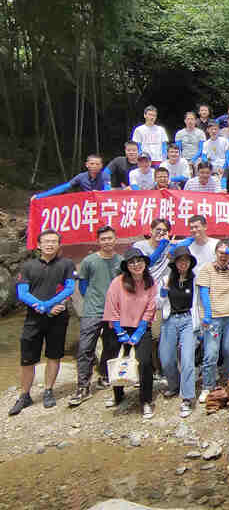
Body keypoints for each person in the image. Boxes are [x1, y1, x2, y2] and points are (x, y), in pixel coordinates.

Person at [9, 230, 76, 416]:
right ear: (38, 245)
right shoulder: (28, 266)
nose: (50, 244)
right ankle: (24, 395)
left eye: (54, 241)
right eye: (46, 241)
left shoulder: (66, 264)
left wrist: (48, 305)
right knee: (27, 358)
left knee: (54, 354)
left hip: (58, 317)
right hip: (34, 317)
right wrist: (44, 307)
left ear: (59, 244)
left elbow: (69, 288)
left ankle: (48, 390)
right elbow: (22, 293)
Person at [69, 226, 122, 407]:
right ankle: (83, 386)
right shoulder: (89, 261)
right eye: (103, 239)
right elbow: (83, 285)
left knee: (111, 345)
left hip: (113, 311)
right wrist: (92, 299)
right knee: (85, 347)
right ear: (98, 241)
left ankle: (104, 376)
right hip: (92, 311)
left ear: (115, 239)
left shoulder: (121, 261)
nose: (107, 242)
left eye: (110, 238)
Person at [102, 247, 157, 418]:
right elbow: (112, 306)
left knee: (145, 362)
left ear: (144, 263)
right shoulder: (117, 282)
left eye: (139, 261)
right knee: (115, 360)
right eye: (132, 262)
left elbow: (151, 307)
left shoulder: (150, 282)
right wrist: (120, 332)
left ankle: (146, 400)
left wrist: (140, 330)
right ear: (126, 266)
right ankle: (118, 395)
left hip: (141, 327)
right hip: (118, 327)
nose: (136, 265)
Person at [196, 240, 229, 403]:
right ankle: (207, 385)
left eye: (227, 253)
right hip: (214, 318)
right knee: (211, 353)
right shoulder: (207, 269)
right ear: (215, 253)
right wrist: (207, 314)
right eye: (221, 252)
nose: (224, 256)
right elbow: (204, 293)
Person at [156, 246, 199, 418]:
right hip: (170, 320)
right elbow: (158, 304)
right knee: (166, 358)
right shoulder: (166, 279)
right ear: (174, 263)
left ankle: (187, 397)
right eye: (180, 260)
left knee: (187, 359)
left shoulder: (195, 280)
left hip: (188, 320)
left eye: (186, 260)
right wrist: (162, 294)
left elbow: (198, 302)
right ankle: (174, 385)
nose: (183, 263)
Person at [32, 154, 110, 199]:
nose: (94, 166)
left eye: (97, 164)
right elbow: (65, 187)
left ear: (101, 166)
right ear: (87, 165)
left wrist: (100, 193)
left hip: (101, 203)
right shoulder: (81, 177)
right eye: (92, 164)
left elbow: (108, 190)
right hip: (87, 205)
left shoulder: (104, 175)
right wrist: (40, 196)